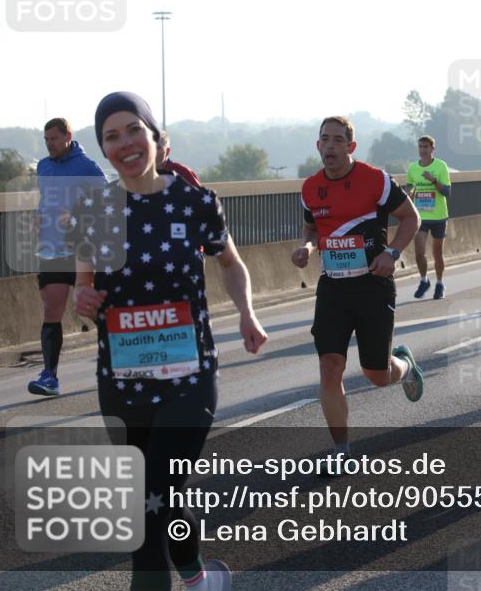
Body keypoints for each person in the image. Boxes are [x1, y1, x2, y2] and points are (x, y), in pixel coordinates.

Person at [72, 91, 268, 590]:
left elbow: (230, 263)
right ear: (104, 149)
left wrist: (246, 313)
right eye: (111, 136)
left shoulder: (196, 201)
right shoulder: (95, 209)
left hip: (190, 377)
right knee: (162, 493)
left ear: (156, 136)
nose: (125, 143)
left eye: (134, 129)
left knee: (148, 502)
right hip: (124, 380)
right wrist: (84, 296)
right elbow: (84, 280)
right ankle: (198, 576)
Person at [294, 116, 424, 458]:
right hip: (333, 289)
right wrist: (307, 248)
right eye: (325, 139)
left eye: (338, 140)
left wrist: (392, 252)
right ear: (318, 145)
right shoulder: (310, 188)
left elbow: (411, 218)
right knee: (330, 366)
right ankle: (341, 450)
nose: (331, 146)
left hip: (373, 286)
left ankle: (406, 367)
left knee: (376, 374)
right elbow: (311, 229)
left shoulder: (375, 180)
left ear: (350, 147)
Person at [27, 117, 107, 397]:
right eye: (46, 139)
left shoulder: (87, 167)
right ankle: (49, 376)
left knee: (92, 310)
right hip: (51, 250)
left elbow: (108, 202)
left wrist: (78, 216)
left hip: (82, 249)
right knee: (52, 311)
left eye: (54, 139)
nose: (49, 144)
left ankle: (123, 358)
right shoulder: (44, 166)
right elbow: (46, 198)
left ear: (67, 136)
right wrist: (39, 217)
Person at [406, 135, 451, 299]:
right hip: (421, 216)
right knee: (419, 252)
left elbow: (447, 192)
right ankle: (424, 280)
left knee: (437, 253)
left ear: (433, 149)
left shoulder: (440, 166)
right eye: (420, 147)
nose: (423, 150)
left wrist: (433, 180)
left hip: (439, 216)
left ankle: (440, 283)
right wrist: (409, 192)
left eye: (426, 147)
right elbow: (409, 186)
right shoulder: (413, 168)